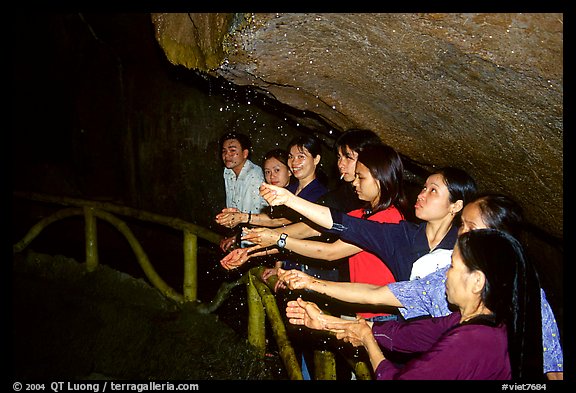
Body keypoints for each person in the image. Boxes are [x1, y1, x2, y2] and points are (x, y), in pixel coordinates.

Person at [278, 193, 564, 379]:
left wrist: (365, 340)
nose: (461, 234)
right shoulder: (459, 314)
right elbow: (400, 327)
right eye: (461, 226)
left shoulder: (494, 323)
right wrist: (325, 317)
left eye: (470, 228)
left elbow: (552, 370)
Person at [226, 143, 411, 322]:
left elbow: (329, 251)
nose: (355, 182)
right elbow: (304, 229)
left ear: (381, 178)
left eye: (360, 177)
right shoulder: (359, 214)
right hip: (362, 310)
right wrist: (250, 251)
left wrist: (278, 236)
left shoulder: (389, 219)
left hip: (384, 315)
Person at [258, 166, 478, 282]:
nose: (421, 195)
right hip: (391, 326)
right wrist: (289, 201)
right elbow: (341, 223)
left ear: (456, 206)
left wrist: (278, 238)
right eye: (423, 188)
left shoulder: (467, 251)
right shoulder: (402, 234)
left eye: (433, 191)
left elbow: (330, 252)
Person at [218, 132, 269, 252]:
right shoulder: (228, 172)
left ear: (245, 153)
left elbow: (253, 216)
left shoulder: (254, 176)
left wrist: (238, 238)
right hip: (243, 235)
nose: (227, 155)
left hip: (258, 238)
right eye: (224, 151)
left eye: (232, 150)